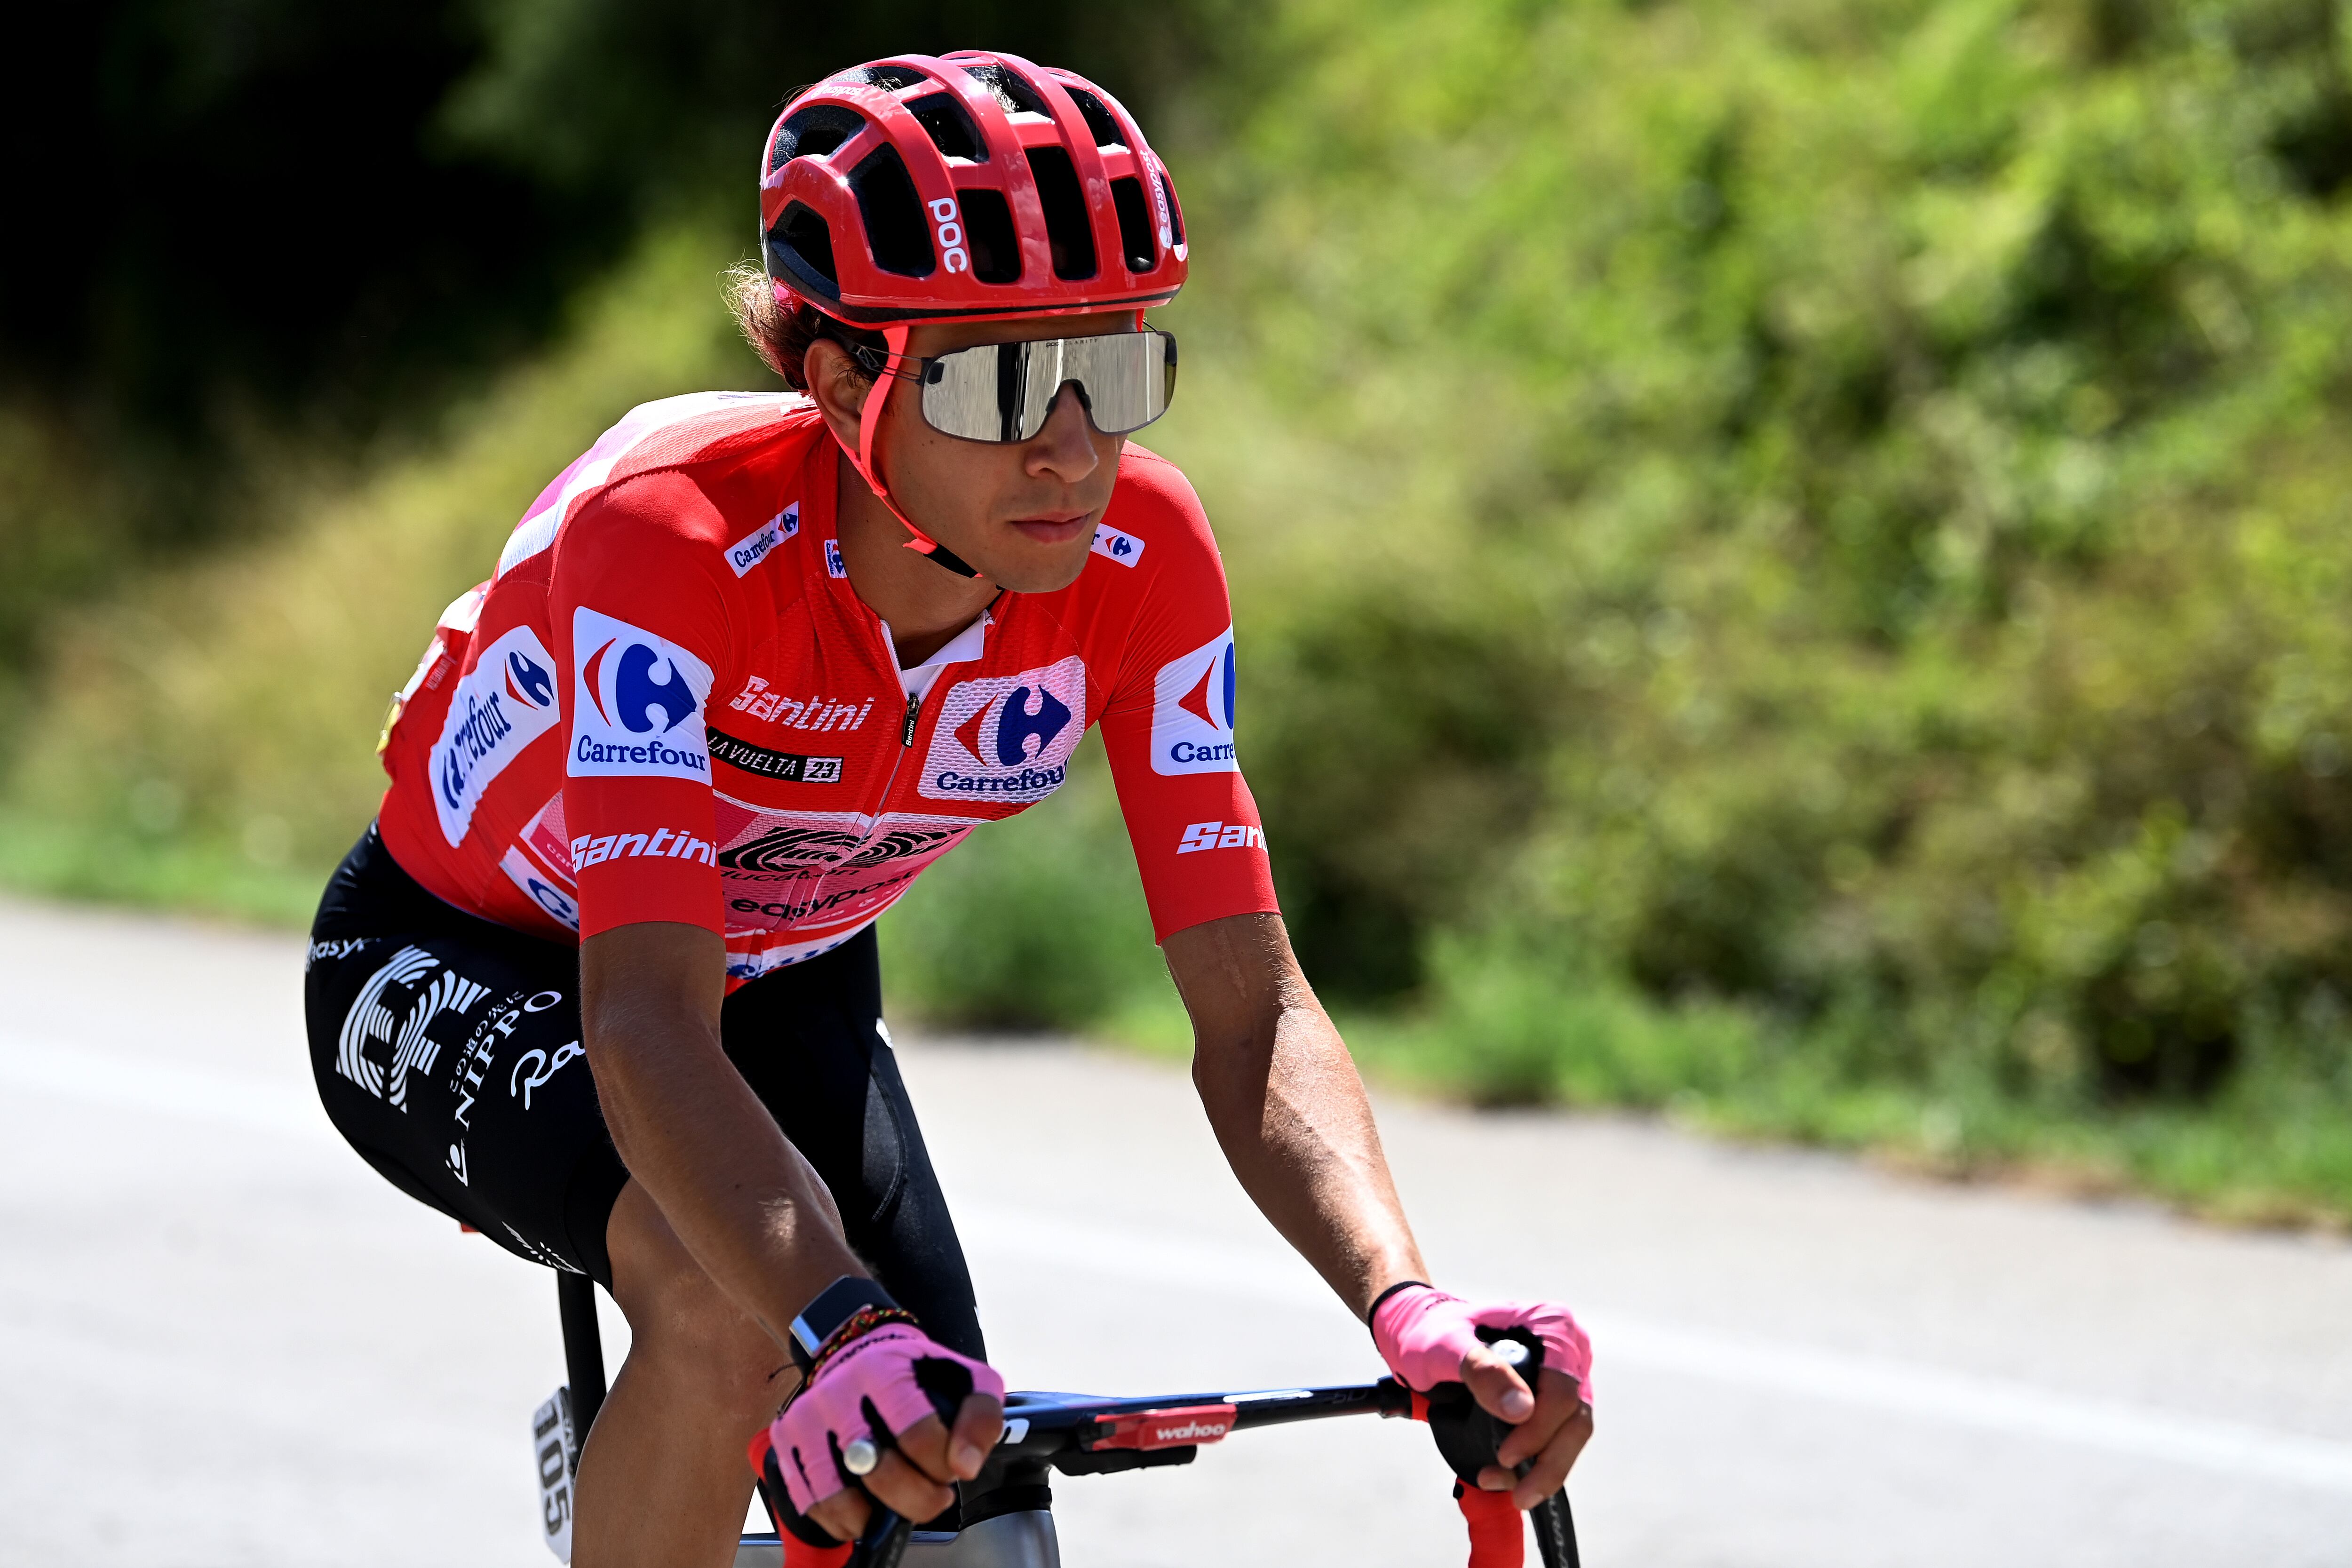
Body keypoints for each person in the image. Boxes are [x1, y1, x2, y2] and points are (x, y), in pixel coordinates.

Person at [303, 48, 1592, 1568]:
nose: (1073, 449)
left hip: (783, 980)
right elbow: (644, 1016)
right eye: (992, 381)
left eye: (1111, 367)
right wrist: (834, 1322)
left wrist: (1408, 1304)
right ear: (845, 380)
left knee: (961, 1493)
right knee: (735, 1321)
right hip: (477, 956)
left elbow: (1254, 1014)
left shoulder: (1146, 562)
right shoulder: (672, 533)